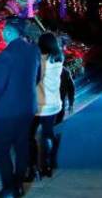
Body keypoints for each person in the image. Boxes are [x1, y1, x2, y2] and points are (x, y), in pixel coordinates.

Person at [0, 17, 40, 198]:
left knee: (2, 149)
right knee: (22, 146)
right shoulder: (33, 51)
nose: (1, 32)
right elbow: (37, 78)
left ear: (8, 32)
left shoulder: (6, 55)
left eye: (3, 29)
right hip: (28, 108)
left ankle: (9, 190)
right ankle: (18, 186)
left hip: (7, 111)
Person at [31, 32, 65, 179]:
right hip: (54, 104)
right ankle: (49, 165)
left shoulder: (39, 60)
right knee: (47, 134)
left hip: (38, 104)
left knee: (29, 135)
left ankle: (33, 167)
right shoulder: (59, 58)